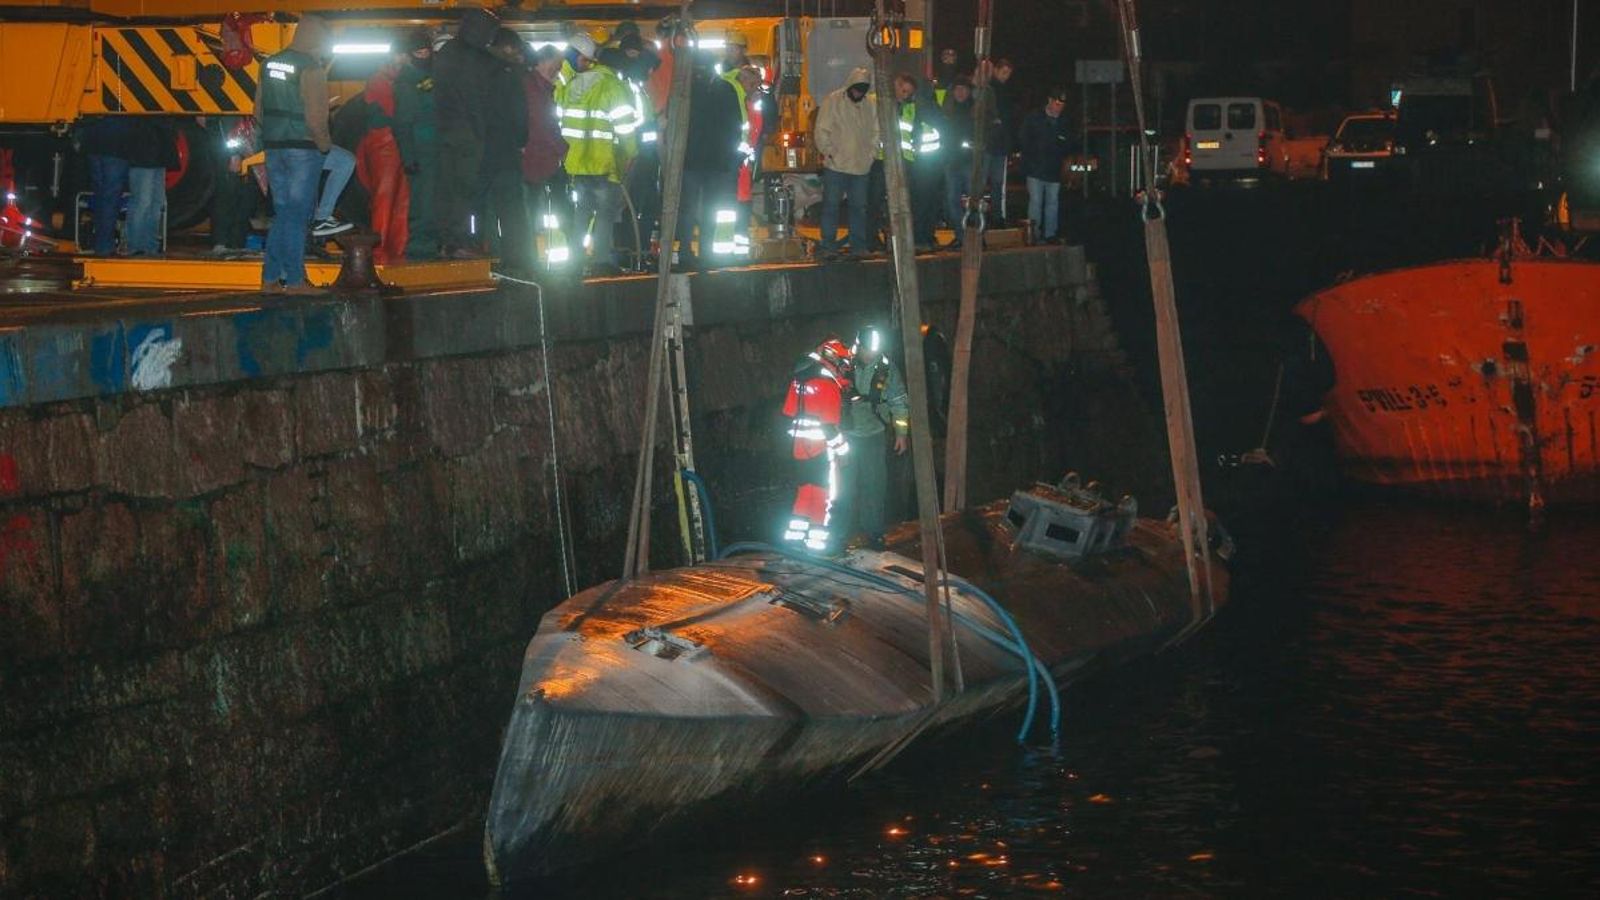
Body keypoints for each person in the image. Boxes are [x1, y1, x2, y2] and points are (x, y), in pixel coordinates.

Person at [255, 13, 338, 292]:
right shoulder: (311, 69)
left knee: (283, 214)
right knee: (297, 215)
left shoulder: (269, 63)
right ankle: (295, 280)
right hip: (303, 149)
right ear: (318, 40)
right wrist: (324, 145)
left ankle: (269, 279)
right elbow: (316, 119)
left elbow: (258, 110)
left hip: (275, 147)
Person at [555, 32, 641, 276]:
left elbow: (562, 120)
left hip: (576, 163)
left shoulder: (575, 83)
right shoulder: (614, 86)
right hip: (603, 162)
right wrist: (631, 153)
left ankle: (575, 259)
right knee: (605, 213)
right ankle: (601, 260)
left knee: (582, 212)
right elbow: (625, 128)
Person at [432, 7, 500, 258]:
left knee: (446, 188)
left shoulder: (448, 51)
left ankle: (444, 241)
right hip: (467, 133)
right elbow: (476, 99)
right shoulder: (476, 57)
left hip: (445, 130)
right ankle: (458, 243)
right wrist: (481, 131)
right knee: (464, 189)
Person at [781, 337, 855, 553]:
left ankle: (795, 542)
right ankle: (818, 546)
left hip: (798, 450)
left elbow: (787, 413)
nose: (844, 370)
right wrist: (843, 451)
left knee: (804, 494)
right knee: (823, 498)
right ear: (833, 359)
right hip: (821, 451)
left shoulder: (799, 380)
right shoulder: (829, 386)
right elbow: (830, 428)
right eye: (843, 364)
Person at [841, 323, 910, 547]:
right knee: (842, 487)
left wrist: (901, 433)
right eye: (867, 350)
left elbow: (899, 401)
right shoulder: (841, 365)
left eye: (875, 351)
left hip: (874, 434)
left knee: (875, 486)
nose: (871, 355)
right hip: (845, 437)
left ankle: (873, 533)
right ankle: (839, 534)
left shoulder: (887, 369)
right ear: (858, 346)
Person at [674, 58, 743, 271]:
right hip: (711, 160)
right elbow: (736, 125)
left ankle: (688, 253)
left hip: (694, 160)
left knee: (690, 209)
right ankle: (702, 253)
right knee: (703, 209)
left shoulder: (686, 89)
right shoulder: (725, 90)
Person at [478, 28, 531, 270]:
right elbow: (520, 116)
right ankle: (517, 260)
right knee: (511, 210)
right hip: (506, 150)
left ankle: (489, 254)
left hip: (480, 151)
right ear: (508, 48)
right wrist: (521, 142)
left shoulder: (475, 73)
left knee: (484, 207)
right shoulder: (510, 76)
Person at [814, 67, 878, 259]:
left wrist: (871, 154)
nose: (859, 93)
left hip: (861, 166)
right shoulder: (833, 101)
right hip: (836, 166)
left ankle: (858, 245)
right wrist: (830, 152)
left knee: (859, 208)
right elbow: (822, 129)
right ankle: (828, 245)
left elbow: (876, 131)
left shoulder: (870, 105)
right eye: (857, 89)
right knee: (831, 206)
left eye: (863, 90)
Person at [355, 46, 411, 264]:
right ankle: (380, 251)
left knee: (400, 200)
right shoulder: (379, 81)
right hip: (384, 144)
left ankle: (397, 249)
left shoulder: (390, 80)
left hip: (394, 143)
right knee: (385, 199)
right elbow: (392, 112)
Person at [522, 44, 570, 270]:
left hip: (540, 160)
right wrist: (562, 148)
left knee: (535, 214)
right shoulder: (534, 89)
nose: (558, 70)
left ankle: (538, 261)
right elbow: (542, 124)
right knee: (536, 213)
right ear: (542, 61)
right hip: (538, 161)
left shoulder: (541, 88)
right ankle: (536, 262)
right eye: (556, 65)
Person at [393, 28, 439, 259]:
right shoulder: (407, 82)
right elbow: (402, 122)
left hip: (436, 149)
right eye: (419, 52)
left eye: (426, 51)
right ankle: (420, 248)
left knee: (434, 199)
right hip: (421, 151)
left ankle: (432, 244)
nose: (424, 55)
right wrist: (409, 157)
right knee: (423, 201)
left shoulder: (433, 76)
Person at [1019, 86, 1073, 243]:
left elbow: (1069, 142)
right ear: (1050, 101)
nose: (1060, 107)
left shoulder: (1063, 121)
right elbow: (1023, 138)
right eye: (1057, 103)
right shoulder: (1034, 118)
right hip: (1035, 168)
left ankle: (1050, 235)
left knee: (1052, 202)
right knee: (1036, 202)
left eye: (1062, 105)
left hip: (1054, 169)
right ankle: (1033, 235)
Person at [79, 116, 132, 256]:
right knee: (111, 197)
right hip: (116, 144)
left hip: (94, 142)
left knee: (101, 195)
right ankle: (105, 244)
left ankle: (101, 242)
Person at [124, 117, 177, 256]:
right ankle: (138, 245)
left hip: (152, 154)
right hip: (148, 153)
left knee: (152, 203)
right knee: (146, 202)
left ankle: (144, 245)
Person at [941, 76, 976, 248]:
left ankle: (975, 237)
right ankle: (960, 235)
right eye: (957, 89)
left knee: (974, 202)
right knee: (951, 201)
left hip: (970, 162)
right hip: (951, 162)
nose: (960, 93)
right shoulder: (946, 111)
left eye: (964, 89)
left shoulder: (975, 111)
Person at [984, 58, 1017, 225]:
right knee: (985, 182)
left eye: (1008, 74)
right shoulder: (989, 89)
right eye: (1004, 72)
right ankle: (985, 215)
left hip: (1000, 144)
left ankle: (996, 216)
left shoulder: (1006, 91)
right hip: (990, 143)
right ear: (996, 70)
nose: (1006, 77)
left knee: (997, 183)